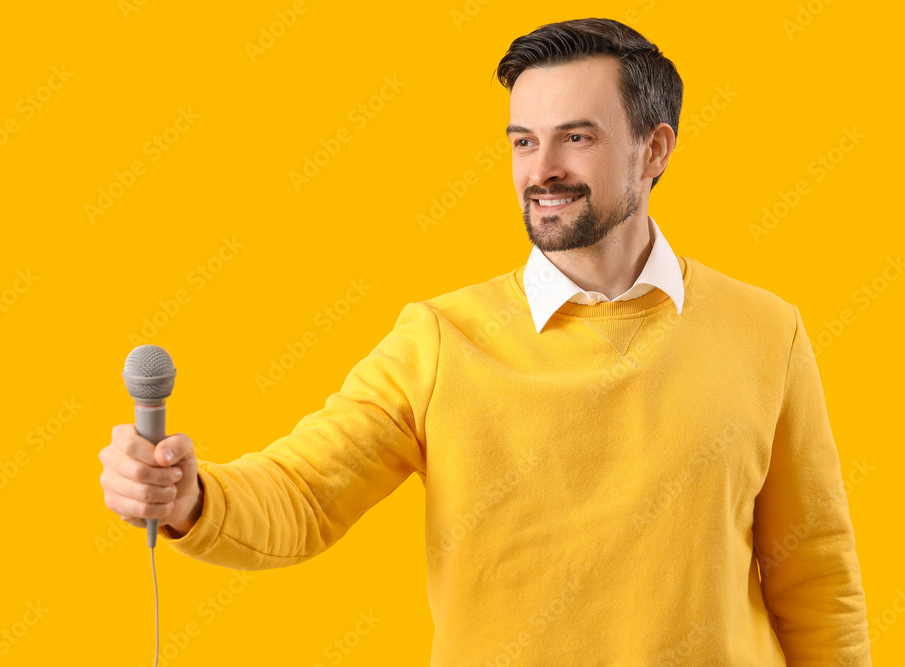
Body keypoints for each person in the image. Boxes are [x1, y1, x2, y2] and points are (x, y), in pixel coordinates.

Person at [99, 17, 872, 665]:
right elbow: (302, 494)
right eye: (523, 142)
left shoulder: (766, 331)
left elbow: (814, 577)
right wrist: (192, 497)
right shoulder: (441, 340)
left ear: (655, 149)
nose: (544, 170)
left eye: (576, 137)